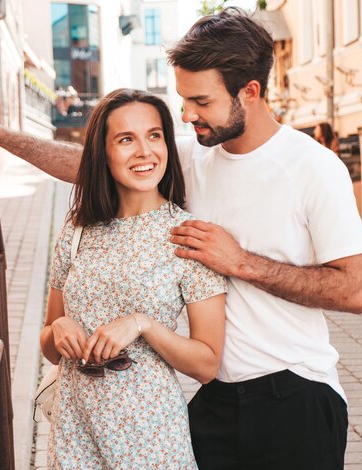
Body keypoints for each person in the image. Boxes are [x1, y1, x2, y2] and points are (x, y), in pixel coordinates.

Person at [0, 9, 362, 469]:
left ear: (250, 92)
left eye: (200, 101)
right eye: (183, 100)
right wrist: (1, 137)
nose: (187, 114)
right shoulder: (194, 157)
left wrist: (241, 262)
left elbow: (355, 290)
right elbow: (93, 164)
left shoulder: (314, 168)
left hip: (296, 396)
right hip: (213, 400)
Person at [38, 88, 227, 468]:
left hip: (152, 437)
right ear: (102, 152)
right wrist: (58, 327)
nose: (144, 151)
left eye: (154, 135)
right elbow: (48, 346)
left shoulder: (187, 235)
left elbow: (207, 364)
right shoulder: (78, 230)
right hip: (76, 431)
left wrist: (143, 325)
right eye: (126, 139)